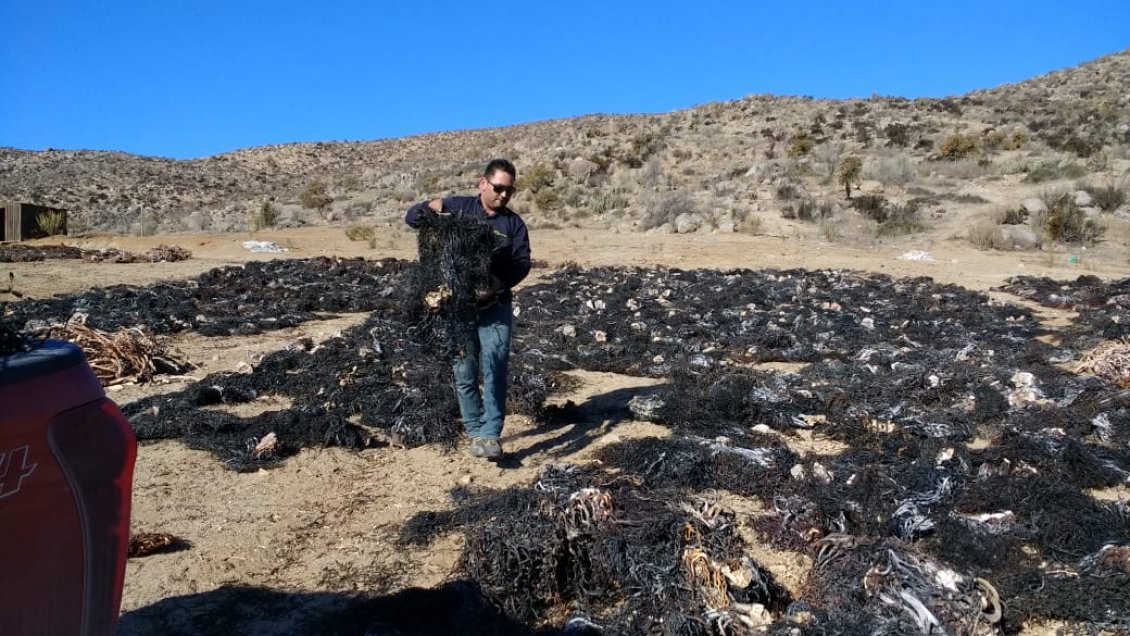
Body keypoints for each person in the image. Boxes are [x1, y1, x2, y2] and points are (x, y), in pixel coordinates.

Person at [404, 159, 531, 459]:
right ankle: (475, 431)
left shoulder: (513, 225)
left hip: (495, 305)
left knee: (495, 363)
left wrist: (496, 286)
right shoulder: (458, 207)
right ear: (483, 183)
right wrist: (428, 206)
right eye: (499, 188)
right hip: (458, 307)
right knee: (464, 369)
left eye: (510, 191)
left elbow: (523, 263)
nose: (504, 195)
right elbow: (412, 218)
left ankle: (491, 433)